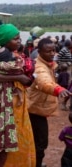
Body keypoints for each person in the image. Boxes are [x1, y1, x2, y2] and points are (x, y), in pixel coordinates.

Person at [0, 24, 36, 167]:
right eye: (15, 39)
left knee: (17, 137)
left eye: (19, 38)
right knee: (0, 137)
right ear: (4, 41)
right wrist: (18, 78)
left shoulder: (15, 56)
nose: (19, 41)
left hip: (16, 104)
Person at [27, 38, 72, 167]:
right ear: (39, 51)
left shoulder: (48, 63)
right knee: (40, 142)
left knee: (37, 141)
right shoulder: (39, 67)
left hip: (37, 107)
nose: (53, 53)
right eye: (48, 51)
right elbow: (43, 82)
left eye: (53, 50)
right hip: (35, 109)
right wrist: (58, 89)